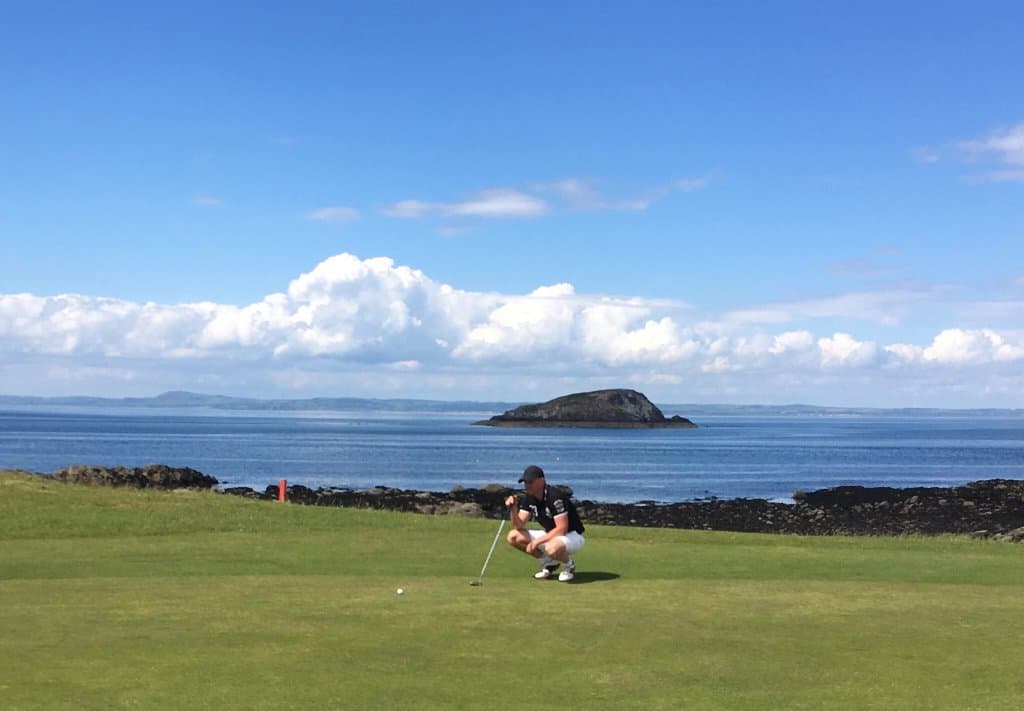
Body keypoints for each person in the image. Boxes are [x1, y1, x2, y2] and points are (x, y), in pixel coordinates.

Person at [504, 465, 585, 582]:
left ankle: (569, 565)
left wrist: (537, 542)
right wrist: (513, 508)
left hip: (572, 535)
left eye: (530, 482)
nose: (527, 485)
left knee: (551, 548)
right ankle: (550, 562)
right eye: (525, 482)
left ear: (541, 481)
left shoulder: (555, 497)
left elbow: (562, 529)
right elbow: (519, 526)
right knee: (513, 536)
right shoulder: (530, 497)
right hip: (552, 535)